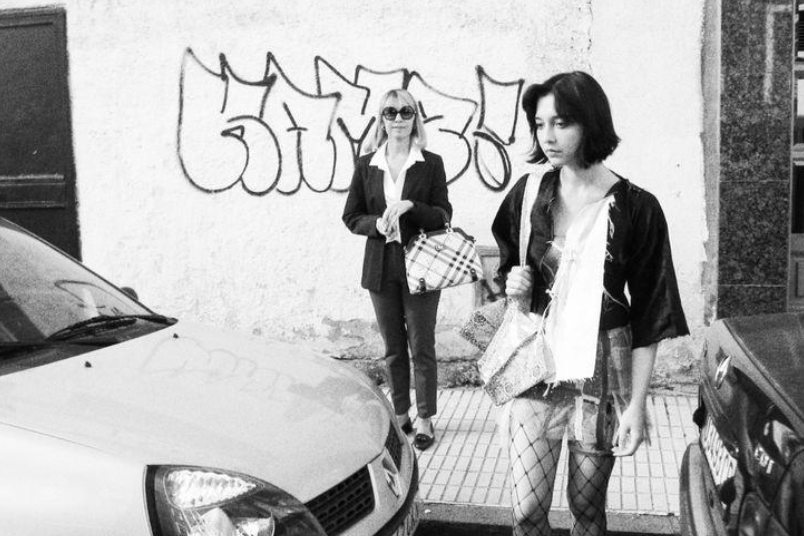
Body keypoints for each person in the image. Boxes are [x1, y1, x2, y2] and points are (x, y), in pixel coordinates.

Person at [491, 71, 689, 535]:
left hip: (603, 365)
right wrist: (512, 282)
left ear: (591, 124)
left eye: (562, 123)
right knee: (526, 511)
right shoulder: (528, 194)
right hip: (536, 367)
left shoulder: (638, 207)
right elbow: (502, 269)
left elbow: (651, 313)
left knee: (586, 509)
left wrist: (637, 405)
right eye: (540, 124)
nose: (548, 136)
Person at [342, 88, 451, 451]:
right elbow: (351, 216)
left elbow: (443, 214)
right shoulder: (365, 164)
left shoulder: (430, 163)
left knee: (422, 345)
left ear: (415, 118)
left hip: (421, 265)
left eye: (406, 112)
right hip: (381, 266)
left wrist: (410, 206)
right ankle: (400, 412)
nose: (399, 119)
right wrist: (376, 225)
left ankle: (425, 418)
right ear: (381, 119)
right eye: (391, 112)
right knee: (393, 347)